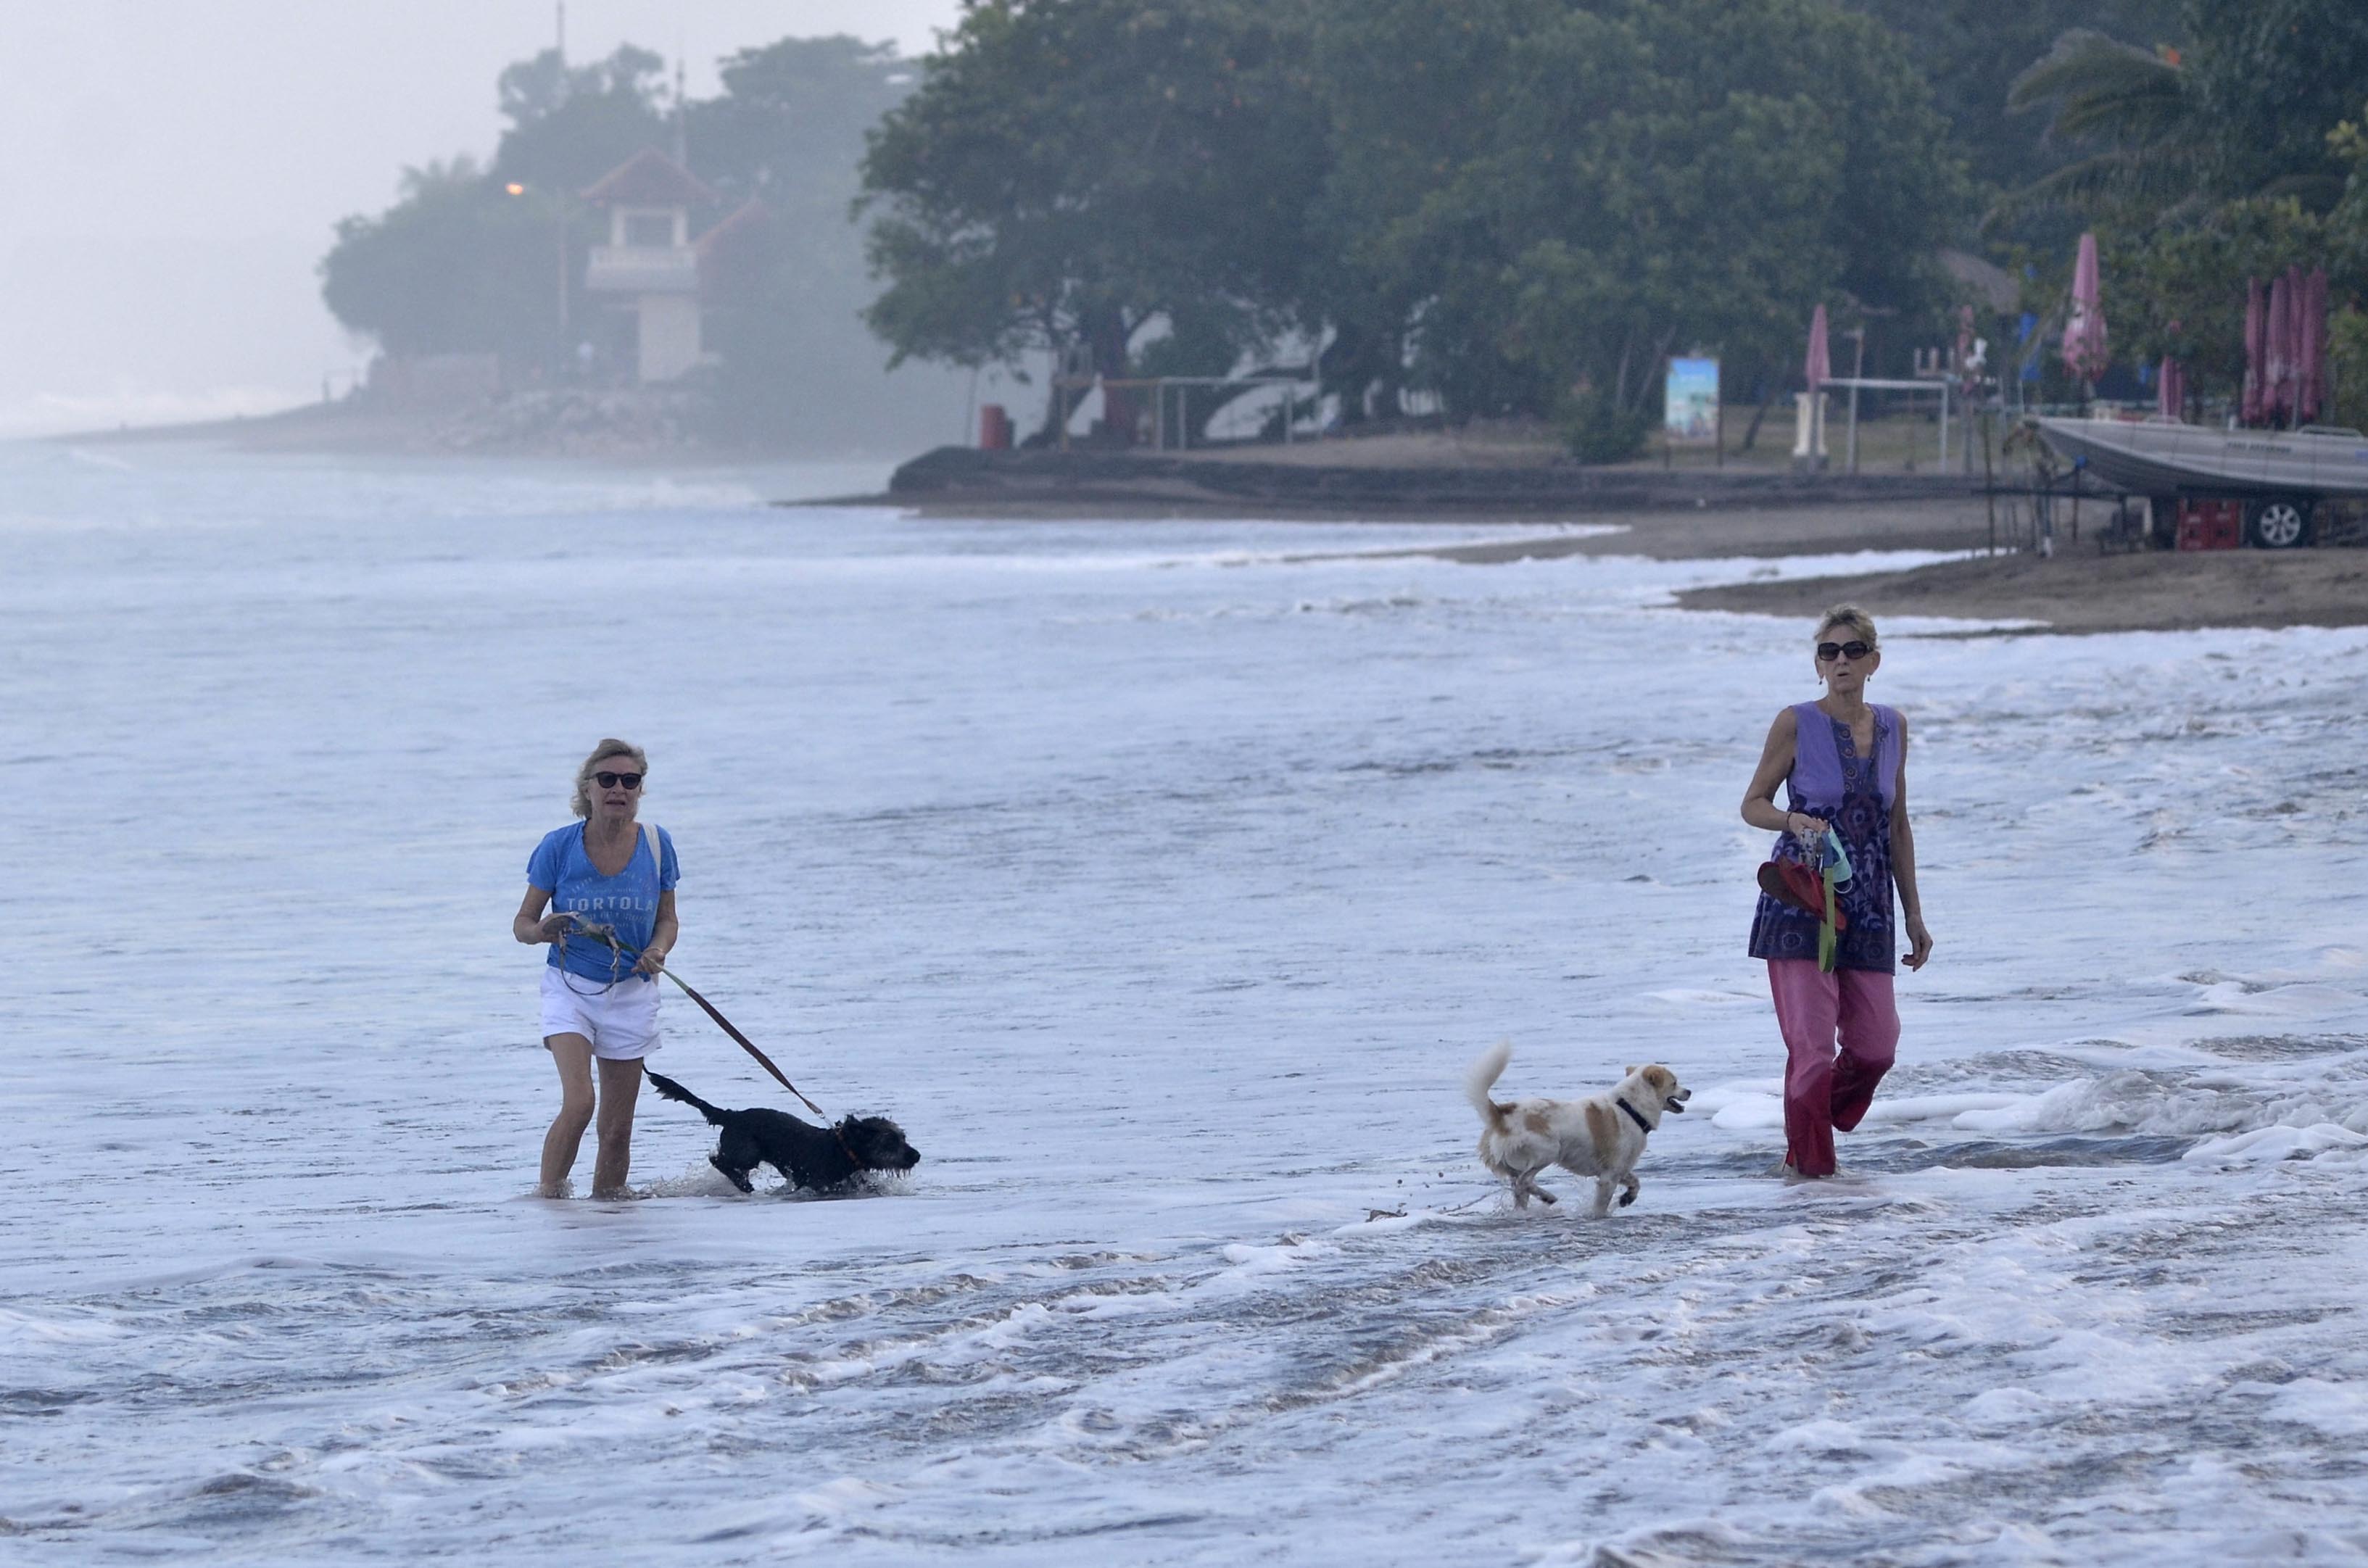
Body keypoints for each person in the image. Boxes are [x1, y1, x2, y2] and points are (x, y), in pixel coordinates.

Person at [1740, 606, 1932, 1178]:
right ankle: (1814, 1180)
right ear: (1818, 664)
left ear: (1874, 661)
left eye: (1853, 650)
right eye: (1829, 651)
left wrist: (1915, 913)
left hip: (1870, 904)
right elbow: (1752, 804)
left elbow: (1897, 823)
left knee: (1877, 1046)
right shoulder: (1795, 722)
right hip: (1802, 898)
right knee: (1813, 1050)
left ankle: (1810, 1128)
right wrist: (1791, 820)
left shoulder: (1894, 726)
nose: (1841, 660)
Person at [513, 739, 680, 1198]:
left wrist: (658, 949)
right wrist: (541, 930)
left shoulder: (657, 844)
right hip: (570, 988)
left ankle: (609, 1216)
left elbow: (668, 920)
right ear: (587, 788)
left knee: (618, 1128)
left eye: (630, 780)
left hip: (633, 991)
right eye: (607, 779)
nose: (618, 789)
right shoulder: (559, 846)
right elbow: (522, 924)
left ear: (640, 789)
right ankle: (549, 1204)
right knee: (581, 1102)